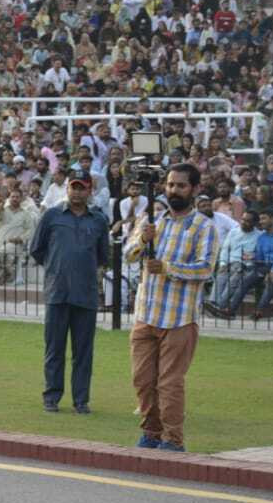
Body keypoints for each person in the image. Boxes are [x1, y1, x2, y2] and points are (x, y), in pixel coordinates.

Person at [125, 164, 220, 452]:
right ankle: (151, 432)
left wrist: (167, 268)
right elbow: (129, 255)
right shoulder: (153, 220)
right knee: (142, 381)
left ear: (194, 189)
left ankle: (172, 440)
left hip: (178, 318)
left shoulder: (204, 227)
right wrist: (143, 238)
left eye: (180, 186)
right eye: (170, 185)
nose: (173, 191)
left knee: (169, 384)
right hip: (146, 314)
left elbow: (205, 269)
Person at [29, 174, 110, 414]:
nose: (77, 193)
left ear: (90, 191)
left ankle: (81, 400)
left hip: (86, 294)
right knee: (54, 348)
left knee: (83, 352)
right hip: (57, 292)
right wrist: (56, 268)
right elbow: (37, 249)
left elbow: (103, 255)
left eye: (82, 189)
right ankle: (51, 397)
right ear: (67, 189)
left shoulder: (99, 220)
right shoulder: (52, 215)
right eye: (73, 188)